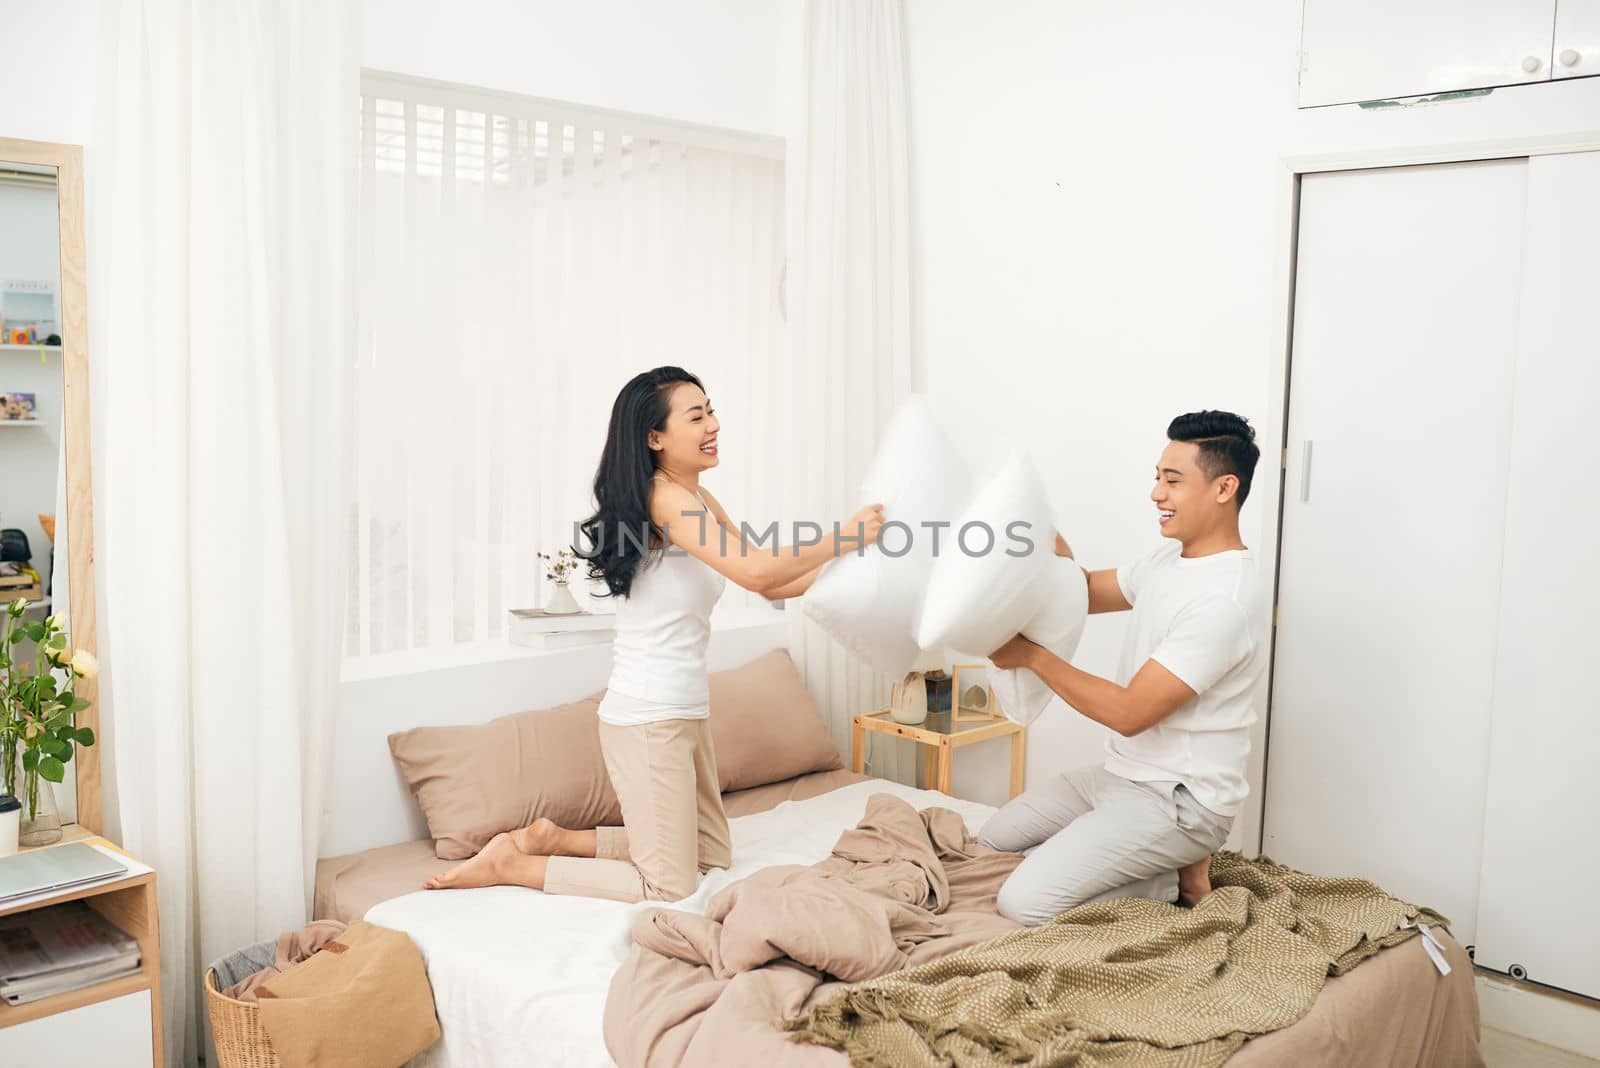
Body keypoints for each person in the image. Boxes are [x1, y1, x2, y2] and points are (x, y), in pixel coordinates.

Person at [426, 366, 883, 901]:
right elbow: (758, 571)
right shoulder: (661, 500)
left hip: (686, 711)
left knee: (713, 856)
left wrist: (857, 562)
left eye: (711, 410)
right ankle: (512, 865)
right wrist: (845, 536)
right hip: (647, 718)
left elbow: (774, 586)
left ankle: (556, 838)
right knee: (668, 885)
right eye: (696, 416)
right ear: (655, 437)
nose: (713, 424)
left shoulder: (701, 499)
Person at [979, 410, 1265, 926]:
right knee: (993, 841)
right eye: (1157, 477)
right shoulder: (1167, 562)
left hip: (1179, 801)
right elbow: (1082, 589)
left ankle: (1162, 881)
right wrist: (1034, 524)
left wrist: (1031, 656)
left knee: (1022, 901)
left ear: (1225, 488)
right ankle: (1162, 865)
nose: (1156, 493)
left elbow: (1131, 711)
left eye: (1172, 480)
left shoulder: (1225, 600)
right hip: (1121, 776)